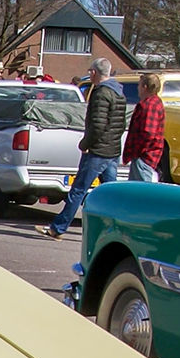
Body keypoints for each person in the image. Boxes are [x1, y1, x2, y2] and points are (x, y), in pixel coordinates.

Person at [37, 57, 126, 239]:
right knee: (110, 194)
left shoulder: (101, 93)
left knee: (78, 190)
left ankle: (58, 228)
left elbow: (98, 125)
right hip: (112, 150)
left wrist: (85, 144)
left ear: (94, 72)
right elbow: (120, 123)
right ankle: (116, 231)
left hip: (98, 151)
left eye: (91, 71)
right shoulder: (119, 93)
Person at [122, 72, 166, 183]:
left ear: (145, 87)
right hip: (143, 156)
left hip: (144, 158)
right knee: (134, 192)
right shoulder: (154, 102)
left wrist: (138, 153)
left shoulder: (149, 105)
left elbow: (148, 133)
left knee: (142, 193)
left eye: (139, 85)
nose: (138, 88)